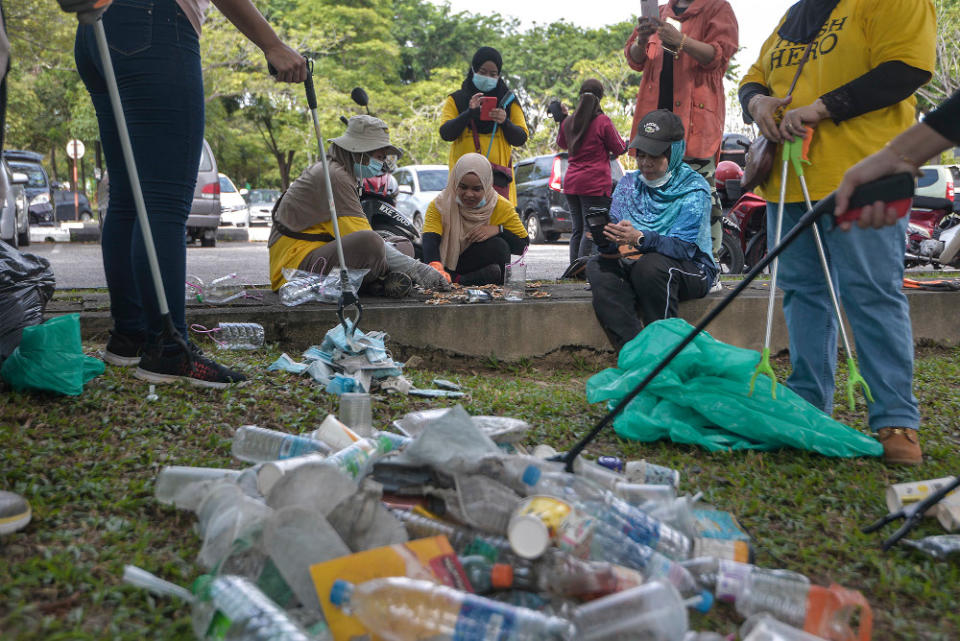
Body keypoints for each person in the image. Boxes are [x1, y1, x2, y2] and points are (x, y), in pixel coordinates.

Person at [739, 0, 936, 465]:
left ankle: (895, 420)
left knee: (871, 292)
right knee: (802, 294)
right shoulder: (796, 13)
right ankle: (809, 406)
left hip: (867, 175)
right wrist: (757, 101)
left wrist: (821, 110)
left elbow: (906, 70)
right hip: (790, 180)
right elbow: (754, 75)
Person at [74, 0, 307, 388]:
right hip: (153, 25)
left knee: (129, 197)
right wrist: (272, 43)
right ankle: (168, 349)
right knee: (164, 200)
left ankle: (130, 336)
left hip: (97, 31)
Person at [268, 115, 448, 295]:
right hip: (293, 270)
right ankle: (379, 282)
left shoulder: (341, 172)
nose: (382, 163)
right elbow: (366, 239)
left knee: (402, 244)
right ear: (360, 151)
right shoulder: (334, 177)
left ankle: (379, 282)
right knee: (371, 244)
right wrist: (419, 270)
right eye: (379, 157)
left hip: (319, 253)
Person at [586, 110, 715, 349]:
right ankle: (633, 347)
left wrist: (641, 238)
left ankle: (665, 348)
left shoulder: (693, 189)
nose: (645, 163)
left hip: (691, 268)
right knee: (598, 266)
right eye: (641, 155)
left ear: (674, 153)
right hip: (638, 262)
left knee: (651, 266)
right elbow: (614, 243)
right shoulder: (629, 184)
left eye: (654, 156)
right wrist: (606, 238)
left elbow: (685, 248)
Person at [624, 0, 737, 260]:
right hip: (655, 126)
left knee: (699, 193)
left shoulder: (718, 8)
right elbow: (636, 60)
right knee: (656, 196)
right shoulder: (660, 12)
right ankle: (661, 259)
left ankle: (710, 263)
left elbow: (719, 57)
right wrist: (641, 41)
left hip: (695, 123)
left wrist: (682, 41)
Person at [422, 153, 529, 286]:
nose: (469, 194)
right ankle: (456, 279)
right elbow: (430, 240)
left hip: (476, 262)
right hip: (447, 263)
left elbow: (523, 247)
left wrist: (499, 230)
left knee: (499, 246)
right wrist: (435, 267)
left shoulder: (501, 206)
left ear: (487, 185)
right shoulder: (440, 204)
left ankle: (466, 280)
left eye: (477, 189)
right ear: (454, 183)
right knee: (415, 250)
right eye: (463, 187)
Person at [438, 46, 528, 205]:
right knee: (462, 227)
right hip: (463, 187)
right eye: (482, 72)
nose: (487, 77)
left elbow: (521, 138)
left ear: (499, 75)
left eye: (493, 74)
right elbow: (446, 133)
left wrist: (505, 122)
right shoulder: (456, 100)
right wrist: (468, 113)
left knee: (498, 227)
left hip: (498, 186)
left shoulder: (508, 101)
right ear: (473, 70)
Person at [555, 79, 628, 264]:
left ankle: (574, 270)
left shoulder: (569, 122)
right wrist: (630, 142)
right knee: (592, 229)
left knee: (577, 229)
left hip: (571, 183)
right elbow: (619, 148)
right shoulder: (602, 121)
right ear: (600, 98)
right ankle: (583, 270)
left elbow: (562, 144)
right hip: (594, 185)